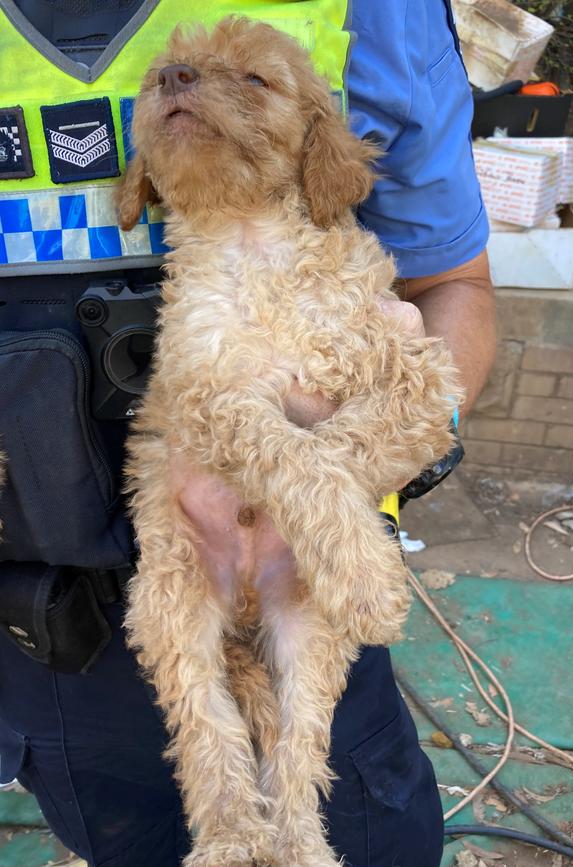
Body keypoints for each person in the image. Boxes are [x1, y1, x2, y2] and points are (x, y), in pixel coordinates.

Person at [0, 1, 496, 865]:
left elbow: (456, 285)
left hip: (313, 573)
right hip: (55, 611)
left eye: (252, 80)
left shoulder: (371, 15)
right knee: (150, 820)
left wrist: (342, 477)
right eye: (174, 81)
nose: (187, 86)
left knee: (344, 804)